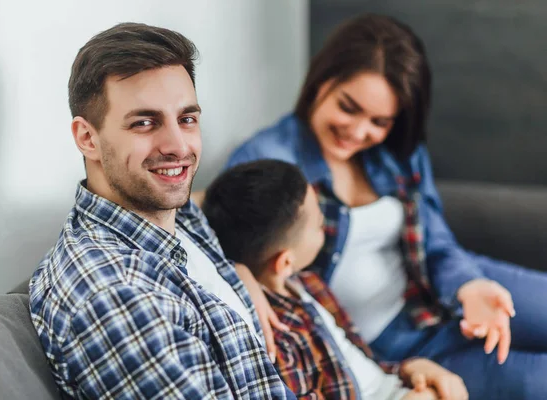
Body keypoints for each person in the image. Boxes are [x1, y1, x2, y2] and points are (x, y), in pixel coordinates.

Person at [223, 13, 547, 400]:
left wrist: (469, 286)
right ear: (321, 82)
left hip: (451, 286)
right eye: (348, 107)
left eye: (380, 121)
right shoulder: (267, 160)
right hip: (402, 344)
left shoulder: (397, 150)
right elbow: (222, 234)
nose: (360, 132)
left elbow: (437, 241)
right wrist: (238, 272)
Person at [29, 23, 295, 399]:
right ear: (88, 138)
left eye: (187, 119)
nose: (178, 146)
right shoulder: (115, 297)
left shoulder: (168, 210)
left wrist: (239, 271)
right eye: (144, 123)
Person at [201, 159, 468, 400]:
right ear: (284, 261)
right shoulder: (277, 337)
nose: (326, 228)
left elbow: (364, 362)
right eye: (319, 225)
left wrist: (411, 368)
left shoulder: (311, 285)